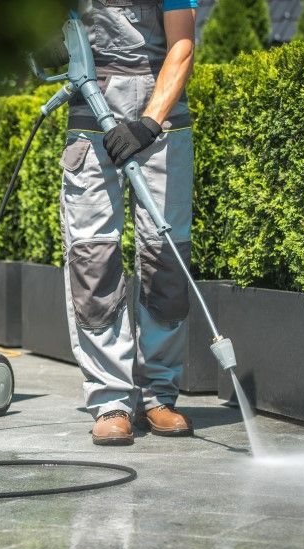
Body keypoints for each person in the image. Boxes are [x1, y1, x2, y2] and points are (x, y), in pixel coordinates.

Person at [60, 0, 198, 446]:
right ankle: (111, 401)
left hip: (161, 120)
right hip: (91, 112)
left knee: (166, 256)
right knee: (92, 256)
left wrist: (148, 123)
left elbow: (181, 44)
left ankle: (158, 394)